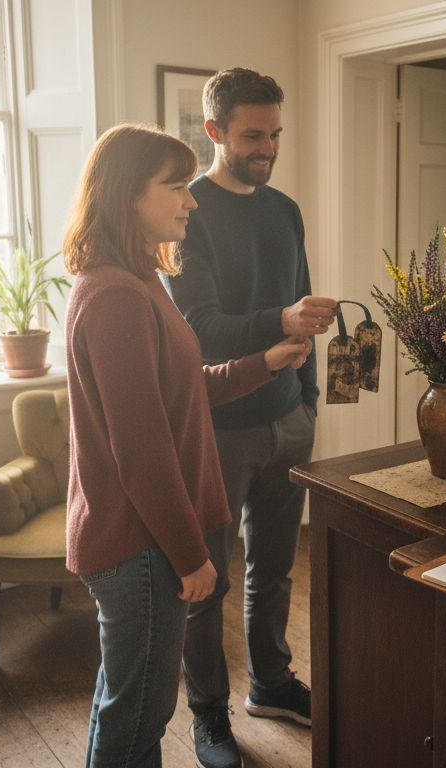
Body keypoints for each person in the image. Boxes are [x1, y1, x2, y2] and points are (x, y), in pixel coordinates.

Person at [62, 123, 310, 767]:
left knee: (124, 703)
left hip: (137, 540)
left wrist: (264, 364)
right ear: (128, 194)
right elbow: (142, 454)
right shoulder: (116, 296)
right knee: (137, 718)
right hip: (138, 545)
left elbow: (181, 388)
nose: (191, 200)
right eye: (175, 186)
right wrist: (191, 555)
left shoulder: (136, 279)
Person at [161, 67, 336, 768]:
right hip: (218, 428)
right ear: (215, 132)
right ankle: (209, 716)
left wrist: (309, 400)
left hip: (288, 419)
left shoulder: (285, 210)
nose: (268, 149)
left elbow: (306, 314)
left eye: (275, 135)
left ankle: (271, 683)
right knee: (208, 581)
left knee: (276, 567)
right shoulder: (185, 212)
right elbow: (202, 329)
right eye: (253, 136)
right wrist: (281, 321)